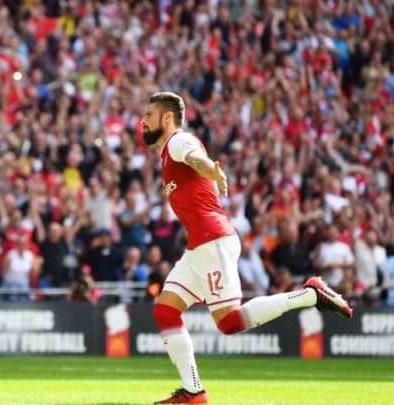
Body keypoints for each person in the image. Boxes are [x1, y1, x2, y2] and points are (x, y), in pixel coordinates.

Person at [141, 92, 353, 404]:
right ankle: (193, 392)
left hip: (212, 242)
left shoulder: (178, 141)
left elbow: (195, 159)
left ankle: (310, 293)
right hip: (199, 248)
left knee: (229, 322)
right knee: (165, 310)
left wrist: (211, 168)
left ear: (167, 118)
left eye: (149, 115)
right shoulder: (166, 153)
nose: (143, 122)